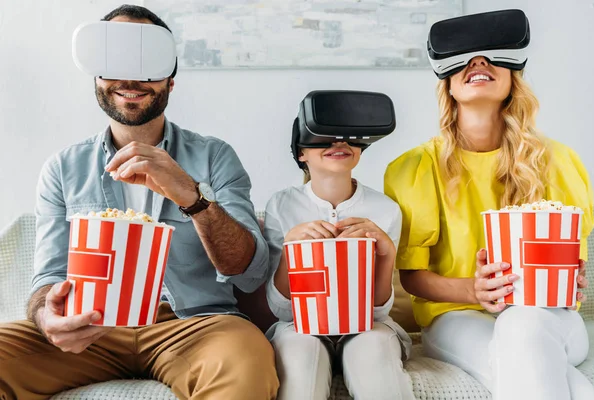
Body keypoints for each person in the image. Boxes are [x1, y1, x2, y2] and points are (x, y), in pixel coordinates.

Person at [0, 5, 278, 400]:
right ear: (95, 77)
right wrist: (48, 316)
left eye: (147, 63)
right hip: (93, 328)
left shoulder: (215, 157)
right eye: (115, 62)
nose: (131, 78)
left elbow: (249, 273)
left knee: (247, 361)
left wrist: (191, 196)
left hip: (195, 326)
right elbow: (47, 279)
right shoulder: (63, 167)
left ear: (170, 80)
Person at [384, 9, 594, 400]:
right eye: (465, 56)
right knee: (532, 358)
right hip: (456, 316)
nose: (478, 62)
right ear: (447, 82)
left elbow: (568, 268)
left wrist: (569, 281)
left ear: (513, 77)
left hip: (551, 318)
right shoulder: (417, 168)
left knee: (524, 324)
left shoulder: (557, 161)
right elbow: (412, 276)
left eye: (491, 54)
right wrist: (474, 291)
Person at [263, 91, 415, 400]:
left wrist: (384, 252)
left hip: (368, 327)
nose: (338, 143)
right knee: (299, 349)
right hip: (299, 327)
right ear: (301, 152)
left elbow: (378, 312)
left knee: (372, 347)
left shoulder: (385, 209)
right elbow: (281, 310)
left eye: (348, 136)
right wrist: (290, 251)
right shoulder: (280, 206)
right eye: (322, 135)